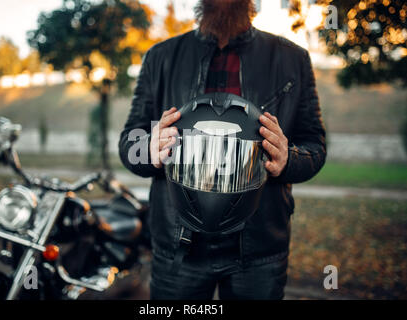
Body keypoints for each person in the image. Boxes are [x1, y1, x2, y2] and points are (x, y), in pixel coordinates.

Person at [119, 0, 326, 300]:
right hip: (178, 248)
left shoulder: (292, 58)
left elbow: (315, 145)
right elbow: (129, 142)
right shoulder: (160, 58)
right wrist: (147, 147)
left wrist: (288, 159)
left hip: (259, 250)